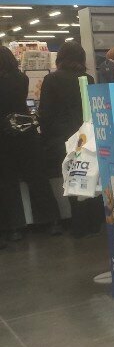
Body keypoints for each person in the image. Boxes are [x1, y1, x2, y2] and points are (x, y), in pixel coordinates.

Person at [38, 42, 102, 238]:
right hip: (86, 136)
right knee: (89, 177)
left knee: (71, 181)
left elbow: (45, 113)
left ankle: (79, 226)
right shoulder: (88, 79)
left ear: (60, 58)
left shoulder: (51, 79)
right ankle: (95, 223)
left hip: (62, 138)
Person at [0, 47, 63, 242]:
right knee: (37, 179)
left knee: (8, 183)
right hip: (26, 134)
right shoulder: (21, 79)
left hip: (3, 137)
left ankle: (15, 227)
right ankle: (52, 221)